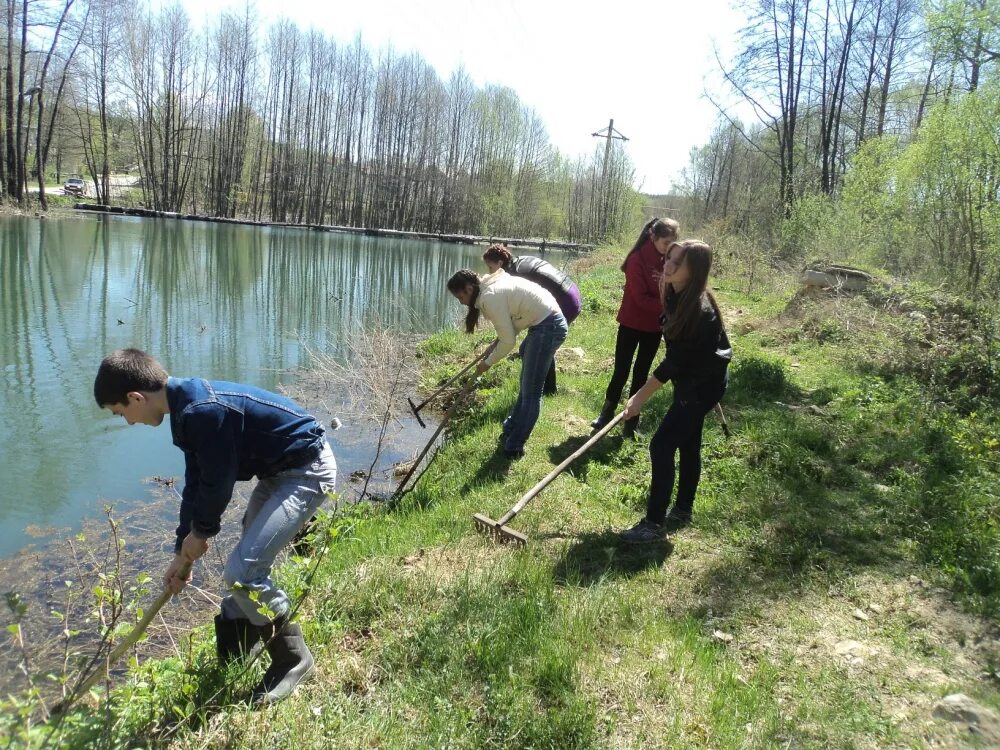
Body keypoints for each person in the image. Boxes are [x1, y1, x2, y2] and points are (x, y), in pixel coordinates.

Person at [93, 349, 337, 704]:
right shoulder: (184, 408)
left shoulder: (200, 410)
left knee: (244, 572)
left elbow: (218, 483)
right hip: (277, 474)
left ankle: (293, 660)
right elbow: (197, 481)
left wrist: (202, 532)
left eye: (121, 413)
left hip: (306, 471)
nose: (127, 422)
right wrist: (182, 548)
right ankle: (238, 650)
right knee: (244, 564)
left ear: (135, 397)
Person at [619, 240, 732, 542]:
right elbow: (679, 357)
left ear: (694, 270)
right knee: (688, 443)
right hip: (692, 380)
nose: (668, 265)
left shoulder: (699, 308)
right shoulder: (677, 294)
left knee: (662, 445)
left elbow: (673, 363)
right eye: (668, 258)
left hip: (701, 386)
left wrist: (639, 397)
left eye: (677, 262)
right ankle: (682, 510)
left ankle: (654, 524)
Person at [447, 268, 568, 458]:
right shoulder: (490, 287)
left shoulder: (490, 297)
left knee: (532, 392)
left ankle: (515, 445)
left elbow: (508, 342)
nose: (461, 302)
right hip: (545, 321)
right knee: (526, 384)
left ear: (469, 289)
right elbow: (513, 319)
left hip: (548, 326)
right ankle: (512, 425)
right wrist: (495, 344)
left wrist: (487, 363)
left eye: (459, 296)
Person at [591, 217, 681, 438]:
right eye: (664, 243)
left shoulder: (670, 260)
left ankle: (631, 422)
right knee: (621, 369)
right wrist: (671, 306)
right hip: (631, 323)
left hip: (653, 327)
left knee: (641, 373)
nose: (668, 249)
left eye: (672, 244)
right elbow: (641, 299)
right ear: (653, 237)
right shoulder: (636, 259)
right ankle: (607, 412)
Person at [482, 243, 582, 395]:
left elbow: (513, 321)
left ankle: (547, 390)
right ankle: (547, 389)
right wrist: (497, 343)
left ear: (500, 263)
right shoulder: (518, 261)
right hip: (572, 292)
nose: (489, 272)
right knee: (537, 346)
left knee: (534, 348)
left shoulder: (513, 276)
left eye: (490, 267)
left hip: (565, 301)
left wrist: (497, 344)